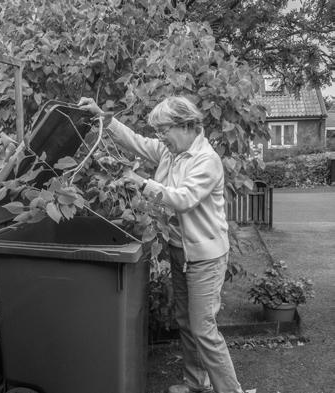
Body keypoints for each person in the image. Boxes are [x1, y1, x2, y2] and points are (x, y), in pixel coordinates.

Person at [78, 96, 244, 393]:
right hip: (182, 252)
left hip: (206, 257)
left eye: (164, 129)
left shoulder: (206, 161)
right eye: (159, 132)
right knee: (186, 321)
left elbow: (183, 199)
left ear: (185, 124)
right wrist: (102, 116)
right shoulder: (172, 152)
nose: (160, 137)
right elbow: (137, 142)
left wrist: (140, 182)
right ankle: (196, 384)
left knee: (204, 328)